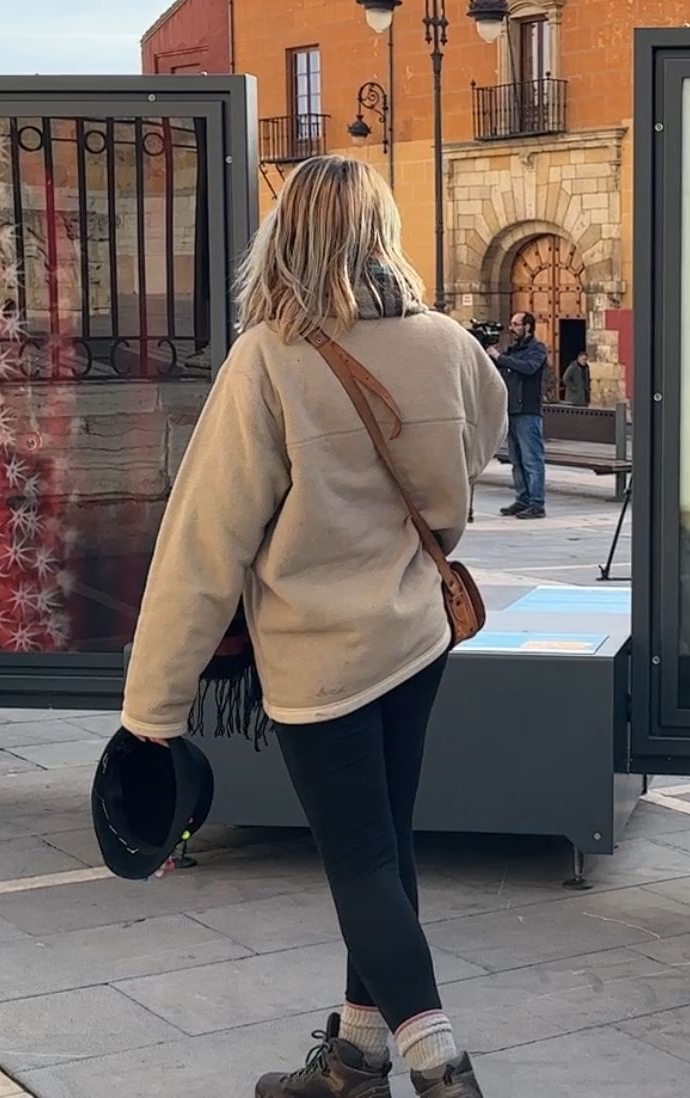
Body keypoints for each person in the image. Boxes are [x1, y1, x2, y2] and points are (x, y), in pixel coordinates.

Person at [119, 155, 505, 1098]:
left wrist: (150, 713)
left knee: (361, 858)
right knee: (387, 845)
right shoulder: (447, 343)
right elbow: (484, 436)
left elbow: (205, 543)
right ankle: (353, 1061)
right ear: (382, 231)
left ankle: (439, 1065)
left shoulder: (268, 357)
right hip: (415, 635)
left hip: (315, 656)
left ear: (284, 235)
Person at [489, 311, 547, 519]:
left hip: (528, 412)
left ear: (528, 327)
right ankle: (522, 499)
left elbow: (529, 368)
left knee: (532, 459)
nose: (511, 328)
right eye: (511, 324)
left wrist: (500, 358)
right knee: (517, 460)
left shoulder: (537, 349)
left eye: (516, 324)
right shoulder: (512, 350)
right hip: (511, 411)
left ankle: (537, 504)